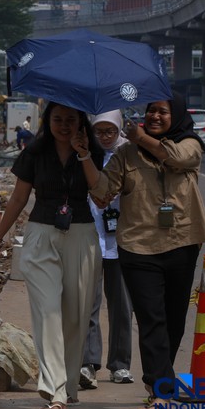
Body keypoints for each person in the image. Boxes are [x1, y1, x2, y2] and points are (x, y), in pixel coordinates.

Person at [79, 92, 205, 409]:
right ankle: (159, 389)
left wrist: (140, 138)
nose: (155, 116)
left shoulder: (190, 144)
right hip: (138, 248)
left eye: (162, 112)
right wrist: (84, 156)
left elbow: (176, 158)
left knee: (174, 320)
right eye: (151, 110)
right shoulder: (125, 153)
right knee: (151, 319)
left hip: (182, 243)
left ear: (175, 116)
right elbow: (101, 193)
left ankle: (162, 378)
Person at [0, 102, 105, 409]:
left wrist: (84, 155)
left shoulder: (93, 152)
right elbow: (18, 198)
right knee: (48, 313)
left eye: (71, 120)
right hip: (40, 237)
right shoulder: (34, 153)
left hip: (81, 236)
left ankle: (70, 385)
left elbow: (101, 194)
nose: (64, 125)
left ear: (81, 123)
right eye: (57, 119)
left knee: (76, 316)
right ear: (47, 121)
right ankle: (55, 390)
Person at [79, 110, 135, 391]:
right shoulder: (84, 154)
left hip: (122, 238)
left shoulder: (130, 154)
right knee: (89, 302)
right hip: (90, 236)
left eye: (110, 131)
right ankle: (88, 363)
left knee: (122, 305)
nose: (104, 137)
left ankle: (120, 364)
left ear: (119, 129)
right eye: (99, 131)